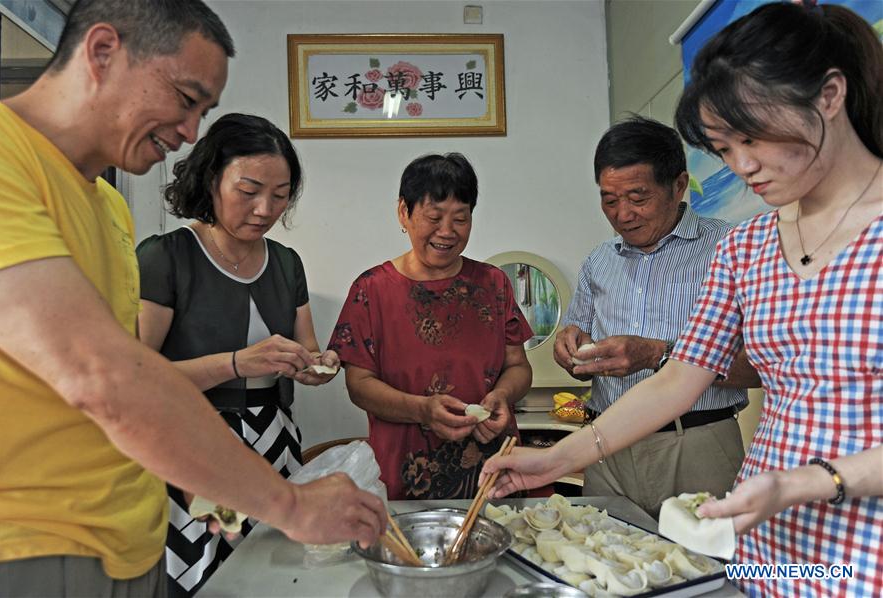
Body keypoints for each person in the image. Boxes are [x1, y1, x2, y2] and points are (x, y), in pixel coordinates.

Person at [0, 1, 386, 595]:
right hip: (39, 538)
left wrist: (244, 492)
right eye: (185, 97)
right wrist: (290, 504)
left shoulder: (108, 204)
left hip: (137, 526)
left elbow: (137, 380)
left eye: (204, 111)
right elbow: (109, 378)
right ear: (102, 52)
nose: (189, 132)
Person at [484, 2, 882, 596]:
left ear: (828, 95)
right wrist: (559, 457)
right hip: (766, 534)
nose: (742, 166)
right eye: (723, 149)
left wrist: (805, 483)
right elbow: (680, 377)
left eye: (752, 137)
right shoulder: (747, 246)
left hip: (860, 536)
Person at [136, 113, 340, 596]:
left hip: (276, 439)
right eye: (248, 191)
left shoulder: (287, 262)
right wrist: (236, 363)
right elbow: (137, 378)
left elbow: (307, 348)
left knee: (279, 573)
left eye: (280, 194)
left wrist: (317, 366)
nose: (264, 208)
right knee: (208, 575)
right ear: (212, 180)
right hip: (197, 447)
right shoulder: (166, 256)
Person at [553, 116, 761, 518]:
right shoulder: (599, 262)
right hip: (606, 446)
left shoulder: (730, 249)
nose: (623, 214)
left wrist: (658, 355)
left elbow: (759, 369)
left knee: (707, 569)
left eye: (638, 197)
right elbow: (578, 340)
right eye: (609, 200)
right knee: (603, 564)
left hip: (697, 444)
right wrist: (572, 348)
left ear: (678, 185)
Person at [329, 153, 534, 500]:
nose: (447, 232)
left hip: (491, 469)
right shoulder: (371, 289)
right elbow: (359, 385)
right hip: (405, 473)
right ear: (404, 213)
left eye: (461, 219)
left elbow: (517, 367)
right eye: (434, 217)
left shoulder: (493, 283)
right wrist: (422, 409)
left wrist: (502, 396)